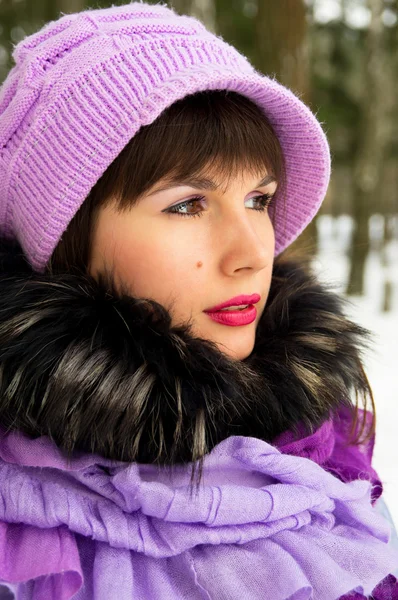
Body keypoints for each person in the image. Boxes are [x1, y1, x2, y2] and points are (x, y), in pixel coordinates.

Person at [0, 3, 397, 599]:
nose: (251, 253)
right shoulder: (28, 537)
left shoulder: (318, 444)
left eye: (259, 199)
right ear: (65, 241)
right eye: (187, 204)